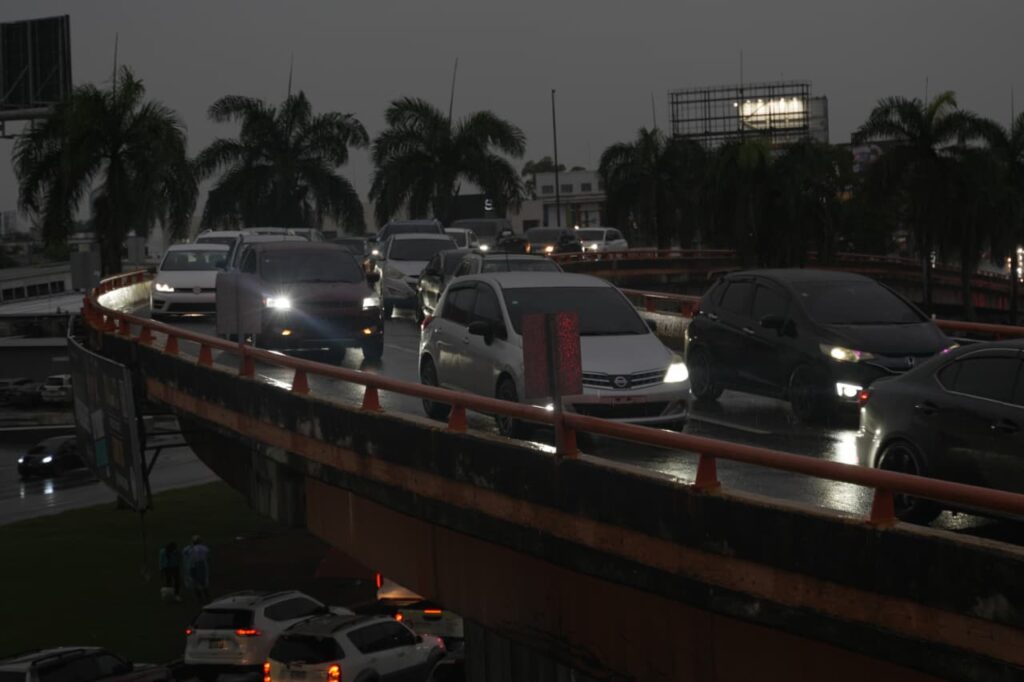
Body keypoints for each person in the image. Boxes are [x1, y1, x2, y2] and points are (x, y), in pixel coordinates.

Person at [187, 534, 211, 603]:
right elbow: (208, 557)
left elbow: (190, 559)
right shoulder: (204, 548)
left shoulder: (191, 549)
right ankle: (207, 598)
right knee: (204, 583)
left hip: (193, 566)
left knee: (195, 583)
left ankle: (199, 599)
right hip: (202, 566)